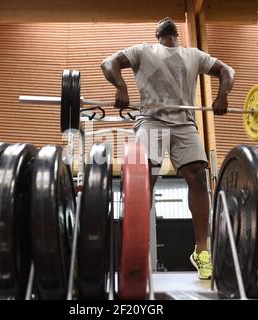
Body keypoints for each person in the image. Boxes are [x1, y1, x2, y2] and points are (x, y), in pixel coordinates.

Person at [101, 17, 235, 280]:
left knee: (197, 176)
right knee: (143, 180)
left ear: (176, 34)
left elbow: (227, 71)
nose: (168, 22)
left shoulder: (194, 54)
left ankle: (202, 251)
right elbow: (109, 63)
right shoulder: (143, 50)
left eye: (170, 21)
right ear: (157, 34)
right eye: (162, 22)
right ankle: (136, 247)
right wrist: (121, 86)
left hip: (184, 123)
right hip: (151, 120)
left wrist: (222, 95)